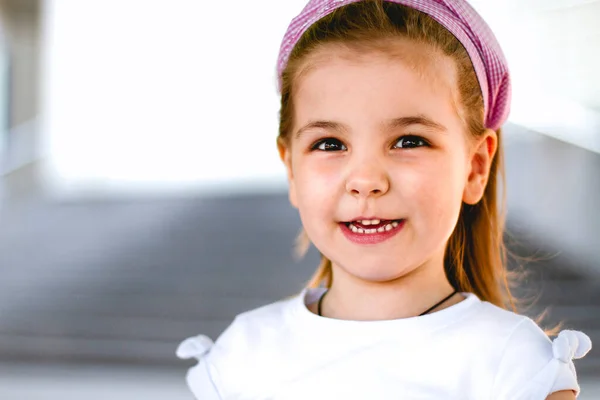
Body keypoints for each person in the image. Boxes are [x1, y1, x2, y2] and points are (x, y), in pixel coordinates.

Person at [176, 1, 592, 398]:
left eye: (409, 140)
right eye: (329, 143)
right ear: (291, 170)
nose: (366, 180)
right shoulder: (243, 355)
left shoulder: (514, 366)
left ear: (474, 168)